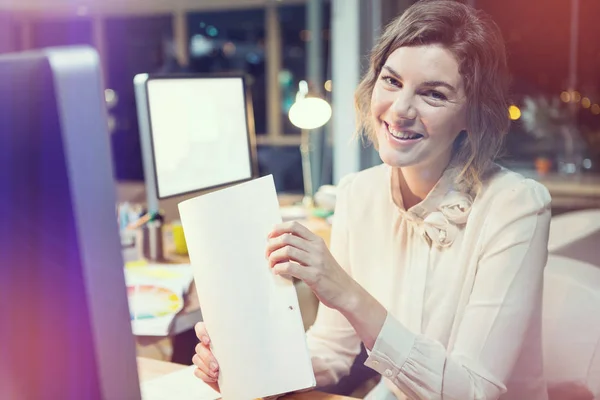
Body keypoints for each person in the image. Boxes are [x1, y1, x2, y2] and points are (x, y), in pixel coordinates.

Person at [192, 1, 552, 399]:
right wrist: (255, 366)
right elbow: (331, 349)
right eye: (392, 81)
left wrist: (346, 292)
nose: (399, 111)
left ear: (473, 113)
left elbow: (472, 391)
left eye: (433, 94)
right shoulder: (357, 194)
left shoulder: (517, 206)